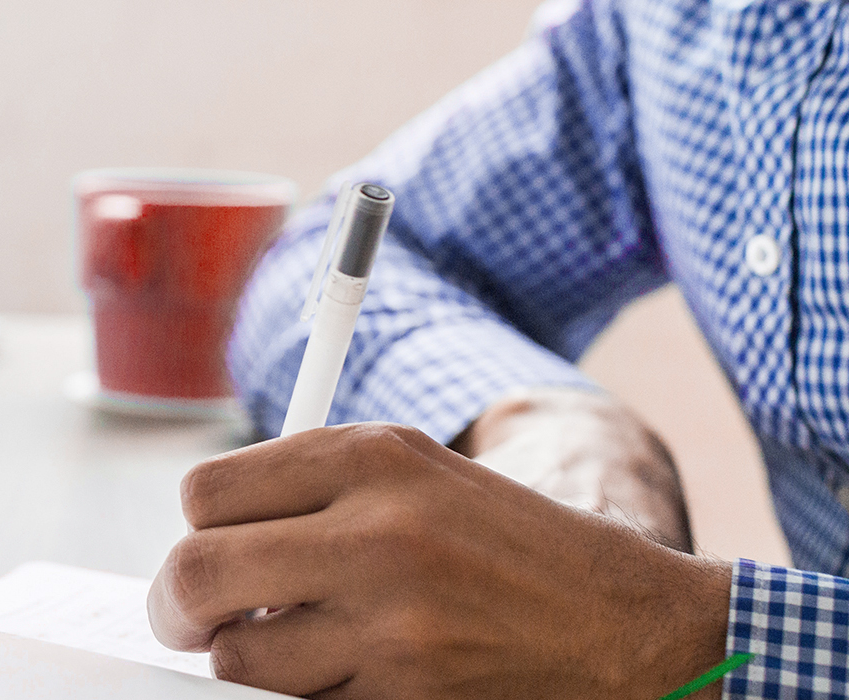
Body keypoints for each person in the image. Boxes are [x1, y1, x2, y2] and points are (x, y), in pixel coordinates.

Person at [146, 0, 849, 697]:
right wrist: (558, 422)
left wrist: (662, 637)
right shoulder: (668, 21)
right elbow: (312, 267)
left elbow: (657, 643)